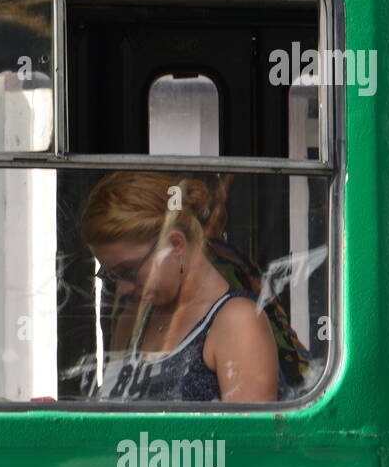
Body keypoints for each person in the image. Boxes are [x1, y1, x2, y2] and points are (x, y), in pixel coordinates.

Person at [80, 172, 280, 403]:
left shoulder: (238, 324)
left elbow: (247, 438)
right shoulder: (133, 316)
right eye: (110, 275)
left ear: (175, 245)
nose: (122, 289)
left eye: (129, 271)